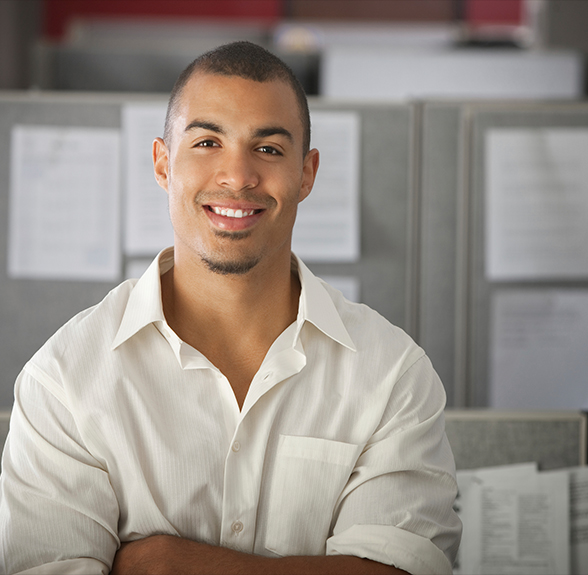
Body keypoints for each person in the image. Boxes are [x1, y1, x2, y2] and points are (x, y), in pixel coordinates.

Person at [0, 41, 461, 574]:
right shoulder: (64, 381)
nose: (237, 175)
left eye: (267, 149)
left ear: (306, 174)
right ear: (163, 163)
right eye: (207, 142)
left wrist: (167, 562)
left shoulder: (391, 374)